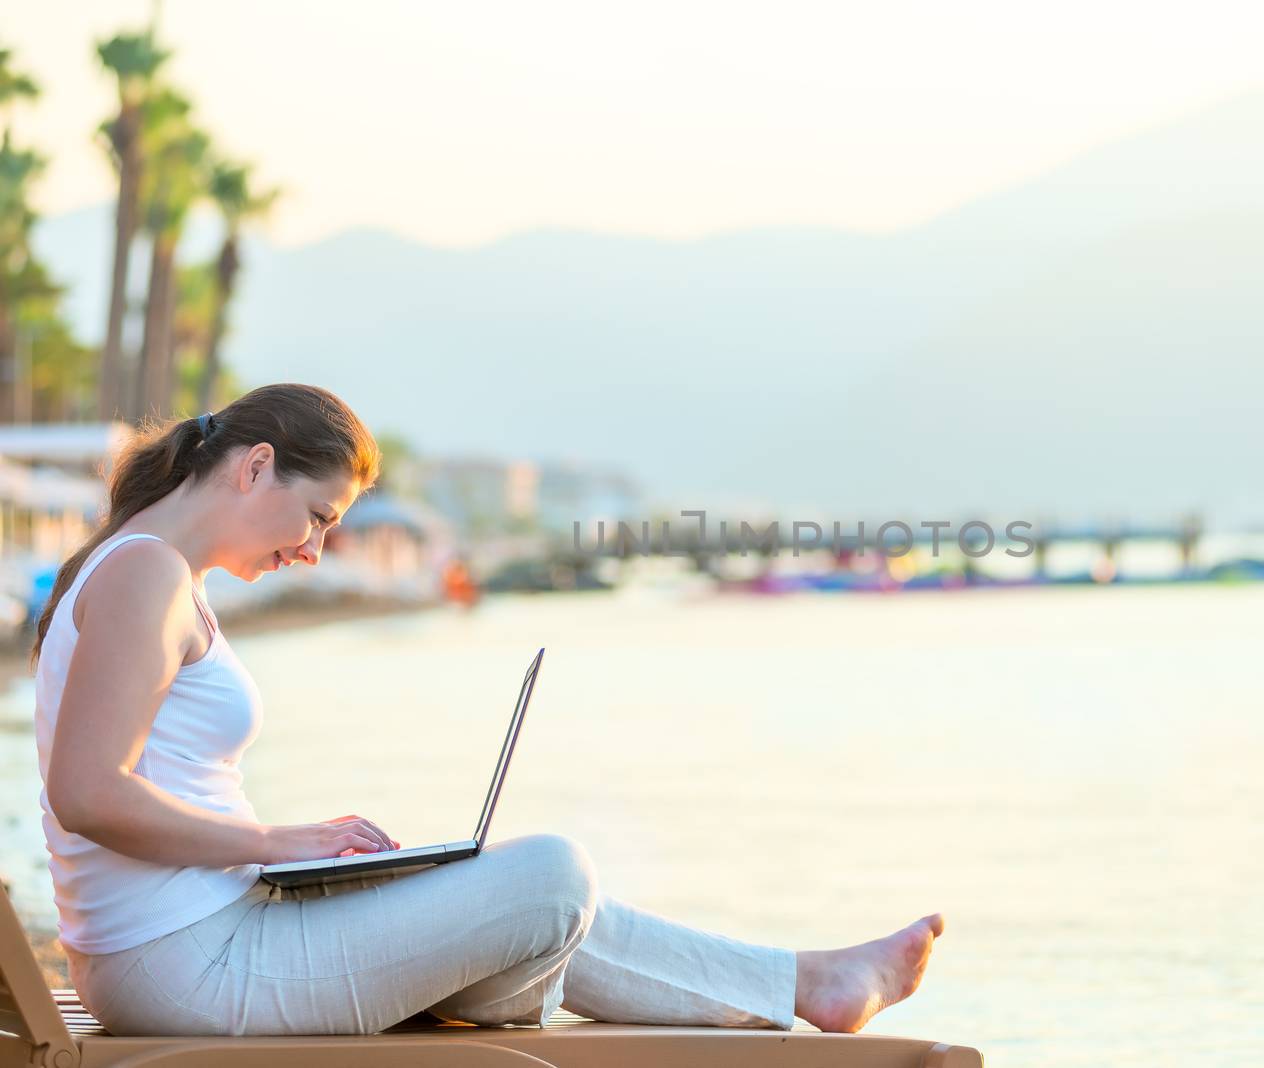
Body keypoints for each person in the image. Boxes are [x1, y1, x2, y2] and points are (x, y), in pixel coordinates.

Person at [32, 383, 944, 1037]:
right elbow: (88, 794)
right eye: (316, 516)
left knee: (512, 896)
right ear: (256, 467)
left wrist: (290, 862)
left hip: (200, 941)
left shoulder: (150, 570)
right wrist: (277, 843)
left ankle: (808, 982)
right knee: (551, 875)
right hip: (187, 967)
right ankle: (795, 983)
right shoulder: (145, 573)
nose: (314, 549)